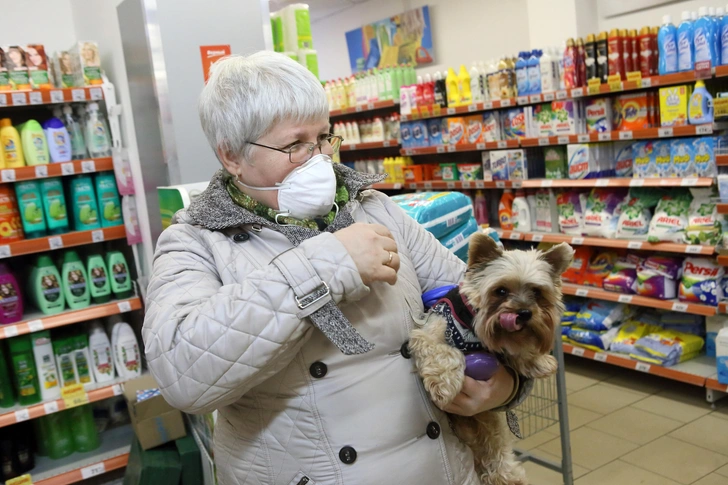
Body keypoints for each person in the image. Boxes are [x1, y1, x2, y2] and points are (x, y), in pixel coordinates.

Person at [143, 51, 531, 485]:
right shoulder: (195, 241)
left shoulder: (375, 209)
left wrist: (505, 386)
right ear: (232, 156)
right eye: (294, 145)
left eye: (323, 138)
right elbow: (182, 373)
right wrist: (329, 265)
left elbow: (481, 304)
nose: (318, 160)